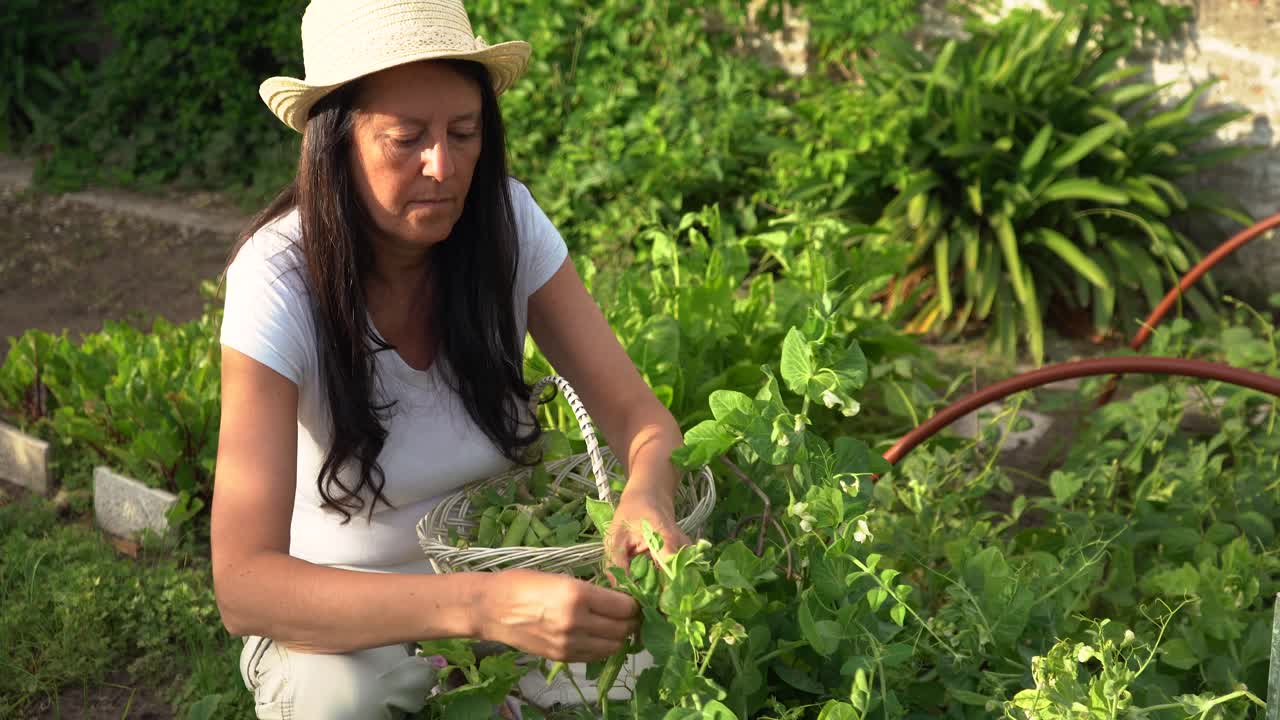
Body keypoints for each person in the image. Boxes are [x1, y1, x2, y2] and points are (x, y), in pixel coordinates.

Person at [212, 1, 691, 717]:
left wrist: (647, 492)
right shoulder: (278, 277)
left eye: (463, 133)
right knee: (341, 700)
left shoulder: (505, 224)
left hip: (512, 584)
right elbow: (244, 586)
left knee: (658, 667)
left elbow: (640, 420)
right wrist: (481, 606)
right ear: (334, 143)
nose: (443, 166)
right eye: (406, 138)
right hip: (348, 624)